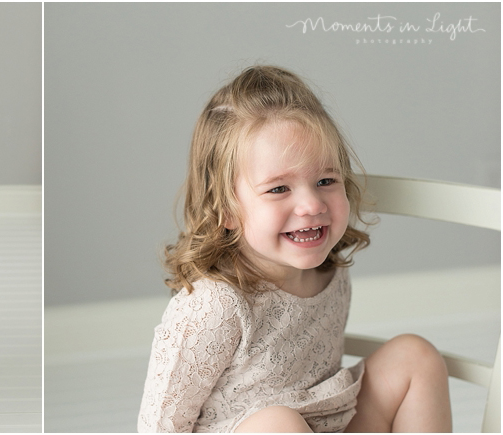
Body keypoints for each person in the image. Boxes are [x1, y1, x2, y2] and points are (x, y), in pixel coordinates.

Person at [137, 66, 451, 432]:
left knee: (415, 357)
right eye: (278, 189)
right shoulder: (215, 306)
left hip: (326, 419)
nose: (312, 205)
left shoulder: (327, 267)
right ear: (226, 210)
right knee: (278, 424)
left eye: (325, 180)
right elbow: (159, 425)